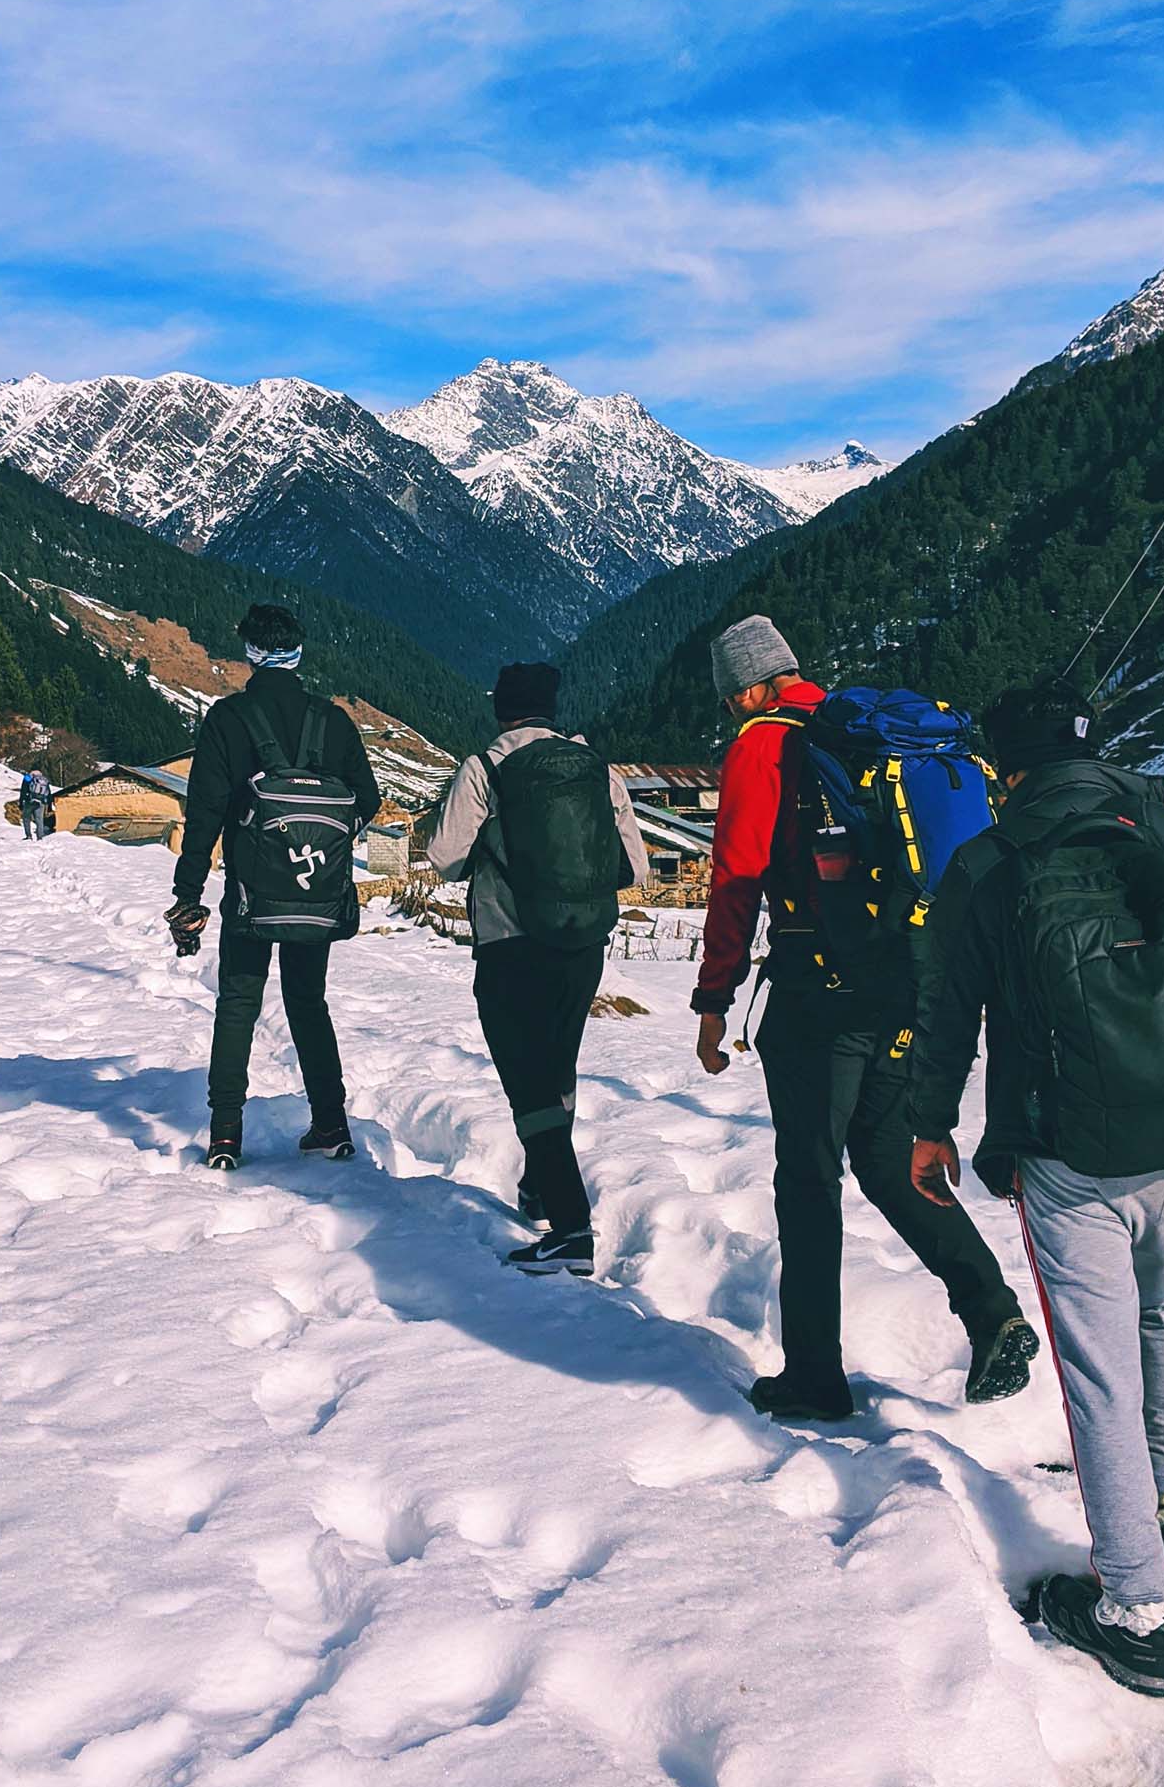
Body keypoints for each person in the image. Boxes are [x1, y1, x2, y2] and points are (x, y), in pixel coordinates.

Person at [908, 685, 1164, 1698]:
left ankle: (1130, 1610)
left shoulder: (987, 865)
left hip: (1067, 1145)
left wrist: (926, 1123)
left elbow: (946, 1009)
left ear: (1006, 768)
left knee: (1096, 1367)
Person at [692, 615, 1034, 1420]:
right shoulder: (870, 736)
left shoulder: (761, 745)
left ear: (746, 687)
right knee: (886, 1161)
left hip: (820, 993)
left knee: (808, 1179)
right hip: (909, 985)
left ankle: (814, 1373)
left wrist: (714, 998)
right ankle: (990, 1311)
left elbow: (737, 875)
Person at [427, 662, 647, 1275]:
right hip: (581, 945)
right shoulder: (596, 769)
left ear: (502, 710)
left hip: (509, 943)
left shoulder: (486, 767)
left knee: (528, 1082)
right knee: (555, 1070)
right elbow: (635, 868)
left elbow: (445, 858)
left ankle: (572, 1229)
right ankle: (539, 1188)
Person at [166, 603, 380, 1170]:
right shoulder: (331, 720)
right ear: (298, 652)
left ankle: (226, 1135)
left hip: (249, 896)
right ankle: (331, 1125)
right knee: (308, 1002)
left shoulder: (228, 719)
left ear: (250, 653)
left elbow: (205, 812)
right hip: (317, 895)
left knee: (238, 1003)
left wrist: (188, 893)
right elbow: (369, 798)